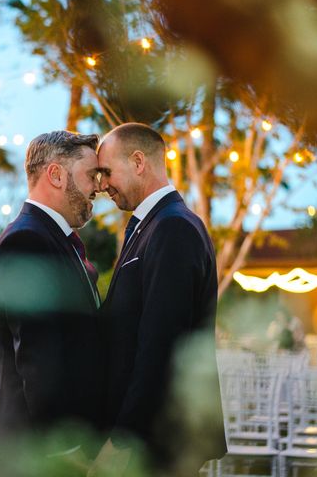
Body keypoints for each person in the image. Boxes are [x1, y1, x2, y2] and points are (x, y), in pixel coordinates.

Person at [92, 123, 226, 474]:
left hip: (157, 440)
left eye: (106, 171)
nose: (102, 184)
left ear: (138, 162)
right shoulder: (150, 224)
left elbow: (162, 344)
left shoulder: (173, 227)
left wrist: (124, 439)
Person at [0, 131, 103, 455]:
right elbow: (37, 360)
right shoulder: (27, 242)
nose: (99, 187)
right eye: (92, 175)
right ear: (56, 175)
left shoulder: (53, 239)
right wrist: (63, 449)